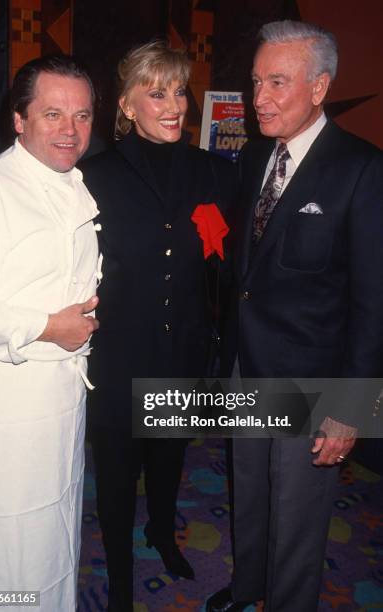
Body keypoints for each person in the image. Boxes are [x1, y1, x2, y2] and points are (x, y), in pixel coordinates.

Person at [207, 20, 383, 612]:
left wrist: (352, 408)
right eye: (256, 81)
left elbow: (373, 303)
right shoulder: (254, 154)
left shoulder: (363, 169)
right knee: (250, 496)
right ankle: (249, 587)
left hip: (312, 384)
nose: (258, 99)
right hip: (245, 368)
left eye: (277, 82)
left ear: (319, 86)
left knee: (299, 522)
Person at [80, 41, 236, 612]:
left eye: (179, 91)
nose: (174, 105)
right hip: (118, 356)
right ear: (126, 105)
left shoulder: (213, 171)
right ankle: (119, 570)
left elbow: (227, 265)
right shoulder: (91, 176)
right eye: (157, 93)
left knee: (169, 460)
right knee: (117, 474)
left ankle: (161, 534)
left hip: (183, 353)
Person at [0, 55, 100, 611]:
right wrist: (49, 326)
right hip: (6, 419)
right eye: (52, 114)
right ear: (19, 120)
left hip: (62, 407)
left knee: (55, 538)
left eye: (83, 115)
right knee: (6, 550)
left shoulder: (70, 183)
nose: (70, 130)